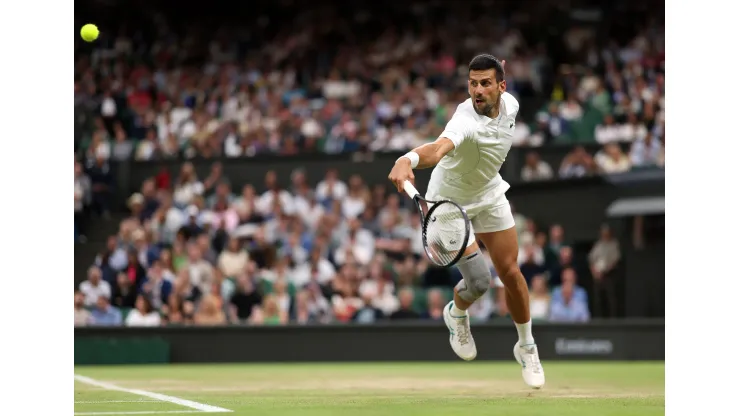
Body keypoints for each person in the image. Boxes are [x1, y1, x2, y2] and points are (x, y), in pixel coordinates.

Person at [387, 54, 545, 389]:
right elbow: (437, 149)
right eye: (472, 83)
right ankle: (456, 313)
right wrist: (409, 158)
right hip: (449, 202)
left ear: (501, 86)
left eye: (485, 83)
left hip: (488, 194)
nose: (477, 89)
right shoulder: (464, 120)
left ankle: (527, 346)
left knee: (511, 273)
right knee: (480, 283)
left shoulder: (512, 106)